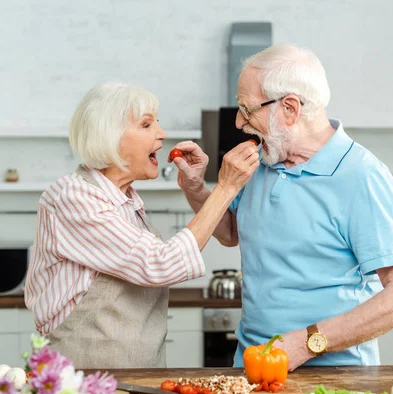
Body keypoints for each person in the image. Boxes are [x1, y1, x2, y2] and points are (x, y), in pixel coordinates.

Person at [171, 44, 393, 370]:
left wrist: (307, 343)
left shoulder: (361, 175)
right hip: (252, 368)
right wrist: (195, 188)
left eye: (248, 109)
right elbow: (231, 232)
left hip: (338, 378)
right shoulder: (263, 161)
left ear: (290, 108)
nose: (239, 122)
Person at [24, 82, 259, 369]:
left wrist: (197, 186)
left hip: (137, 375)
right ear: (110, 135)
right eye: (147, 125)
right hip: (80, 377)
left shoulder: (126, 200)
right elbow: (161, 263)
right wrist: (225, 188)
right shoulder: (74, 197)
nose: (162, 134)